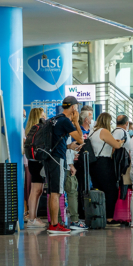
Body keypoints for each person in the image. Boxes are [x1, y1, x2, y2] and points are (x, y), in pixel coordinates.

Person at [42, 96, 84, 234]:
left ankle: (53, 223)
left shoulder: (55, 119)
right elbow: (80, 138)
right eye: (76, 106)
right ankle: (55, 225)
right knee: (56, 192)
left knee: (52, 192)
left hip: (49, 158)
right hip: (57, 159)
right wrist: (77, 122)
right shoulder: (66, 121)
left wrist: (67, 146)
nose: (77, 109)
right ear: (73, 107)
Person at [88, 112, 126, 223]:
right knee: (110, 190)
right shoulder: (104, 131)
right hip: (104, 163)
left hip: (94, 163)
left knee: (98, 190)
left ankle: (100, 215)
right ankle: (109, 218)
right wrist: (122, 141)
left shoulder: (93, 132)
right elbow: (117, 145)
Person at [25, 108, 47, 228]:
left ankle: (33, 216)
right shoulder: (37, 129)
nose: (44, 118)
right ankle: (32, 218)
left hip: (34, 161)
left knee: (38, 190)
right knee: (36, 190)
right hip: (36, 162)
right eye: (42, 116)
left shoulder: (31, 130)